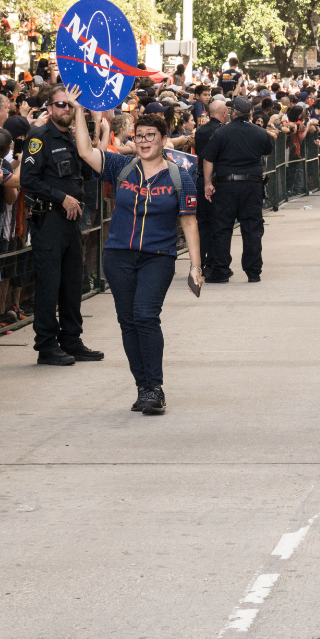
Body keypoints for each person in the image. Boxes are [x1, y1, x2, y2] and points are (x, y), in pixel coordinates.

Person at [66, 87, 202, 415]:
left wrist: (196, 266)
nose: (143, 141)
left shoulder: (180, 176)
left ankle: (155, 386)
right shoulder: (121, 166)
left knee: (145, 315)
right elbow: (85, 151)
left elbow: (189, 222)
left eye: (150, 135)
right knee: (127, 321)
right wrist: (79, 109)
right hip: (119, 256)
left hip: (159, 257)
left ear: (163, 139)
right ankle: (143, 387)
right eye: (139, 136)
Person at [20, 89, 104, 366]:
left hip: (72, 219)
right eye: (61, 105)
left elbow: (88, 169)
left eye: (70, 106)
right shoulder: (39, 137)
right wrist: (61, 197)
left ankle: (71, 340)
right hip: (49, 219)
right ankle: (46, 345)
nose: (66, 109)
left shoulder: (72, 138)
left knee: (72, 283)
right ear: (50, 107)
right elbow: (28, 180)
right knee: (49, 284)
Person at [200, 95, 274, 283]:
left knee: (222, 227)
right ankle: (253, 270)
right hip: (252, 185)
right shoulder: (259, 132)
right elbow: (266, 151)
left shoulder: (221, 133)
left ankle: (220, 270)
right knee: (252, 227)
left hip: (226, 185)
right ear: (250, 112)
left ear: (233, 113)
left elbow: (208, 158)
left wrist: (208, 183)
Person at [192, 97, 227, 277]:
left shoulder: (201, 131)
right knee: (217, 223)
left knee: (203, 224)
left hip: (200, 178)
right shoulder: (223, 131)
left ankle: (201, 261)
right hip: (215, 181)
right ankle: (213, 261)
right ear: (223, 113)